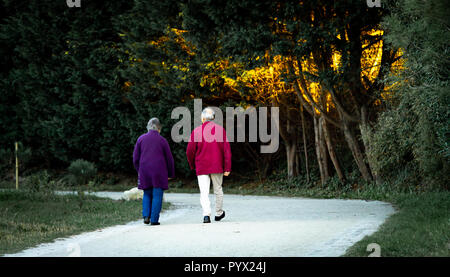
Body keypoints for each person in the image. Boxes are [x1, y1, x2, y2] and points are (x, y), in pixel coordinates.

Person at [186, 107, 232, 223]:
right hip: (217, 165)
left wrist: (192, 165)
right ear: (214, 118)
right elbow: (227, 151)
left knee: (204, 191)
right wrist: (227, 167)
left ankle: (206, 215)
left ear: (202, 118)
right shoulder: (220, 130)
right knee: (218, 189)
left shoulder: (196, 131)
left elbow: (189, 151)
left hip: (201, 166)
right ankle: (219, 213)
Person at [133, 118, 175, 225]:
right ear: (159, 128)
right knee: (157, 195)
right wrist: (170, 174)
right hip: (159, 172)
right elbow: (169, 159)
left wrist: (139, 170)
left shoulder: (141, 139)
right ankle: (154, 220)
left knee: (146, 193)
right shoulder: (163, 141)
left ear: (148, 127)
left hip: (144, 170)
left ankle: (146, 216)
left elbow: (135, 158)